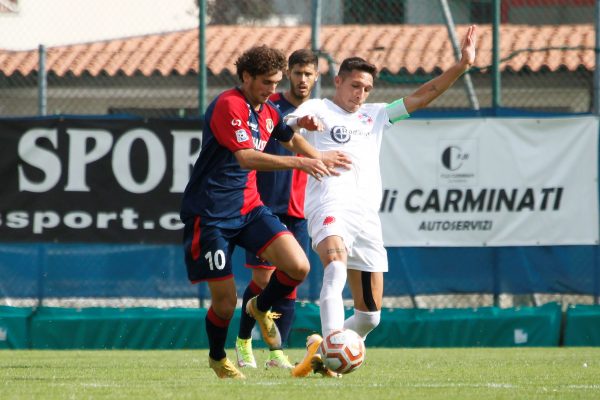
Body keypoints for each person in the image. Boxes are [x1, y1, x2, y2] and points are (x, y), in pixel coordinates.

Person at [289, 25, 478, 377]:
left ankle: (321, 346)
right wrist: (304, 124)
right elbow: (288, 128)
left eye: (366, 88)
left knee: (370, 315)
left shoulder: (376, 115)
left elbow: (423, 95)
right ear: (339, 82)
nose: (360, 93)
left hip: (366, 218)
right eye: (355, 85)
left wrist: (462, 65)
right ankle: (331, 348)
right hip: (329, 205)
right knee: (334, 269)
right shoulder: (318, 107)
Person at [180, 45, 351, 379]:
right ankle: (218, 358)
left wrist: (319, 156)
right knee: (225, 303)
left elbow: (289, 138)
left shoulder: (269, 110)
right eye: (266, 83)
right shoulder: (229, 104)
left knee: (298, 266)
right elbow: (246, 157)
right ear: (246, 77)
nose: (273, 90)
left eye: (276, 83)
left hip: (249, 208)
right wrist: (302, 163)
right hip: (211, 214)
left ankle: (259, 305)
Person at [235, 49, 320, 370]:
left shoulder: (322, 111)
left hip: (298, 209)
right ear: (288, 75)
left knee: (291, 281)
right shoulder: (271, 107)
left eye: (307, 74)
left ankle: (276, 353)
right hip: (264, 204)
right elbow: (286, 128)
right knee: (262, 278)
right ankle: (244, 343)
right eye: (296, 73)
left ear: (316, 77)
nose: (301, 79)